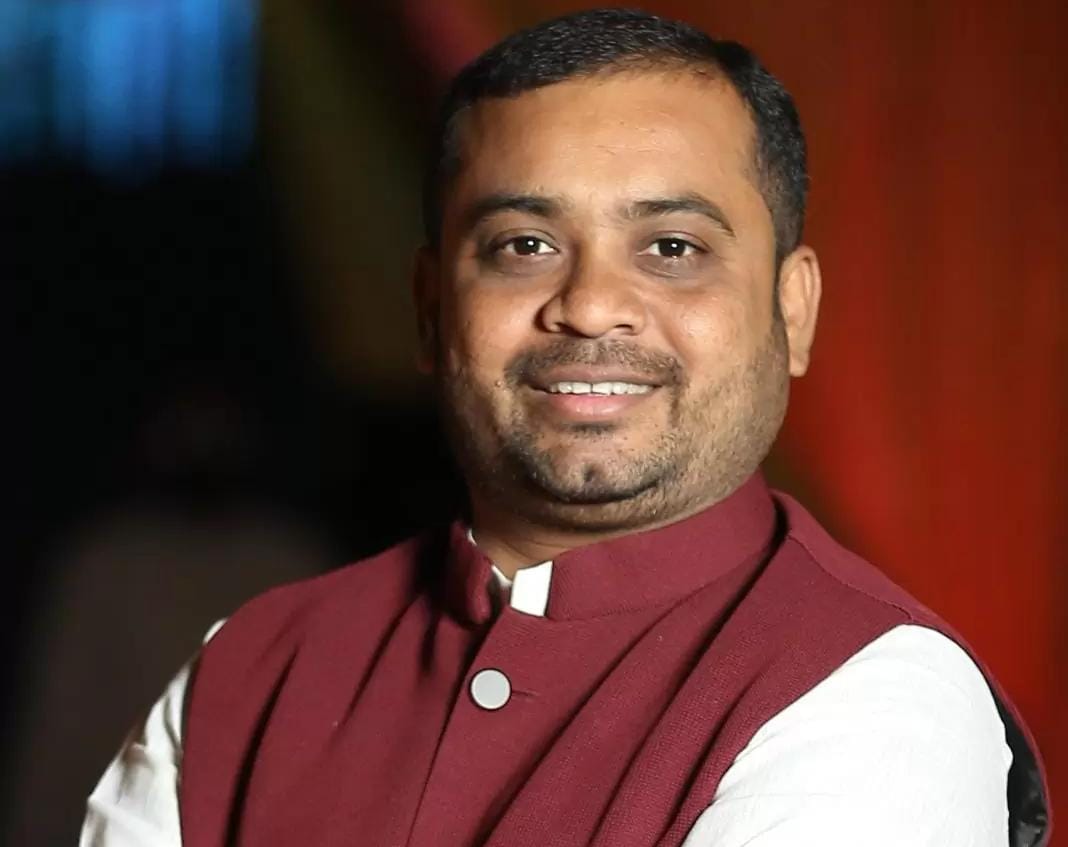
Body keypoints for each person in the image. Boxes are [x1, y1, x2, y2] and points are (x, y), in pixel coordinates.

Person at [80, 9, 1051, 846]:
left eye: (671, 247)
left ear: (791, 312)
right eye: (525, 244)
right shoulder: (246, 672)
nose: (589, 306)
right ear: (430, 307)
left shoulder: (875, 691)